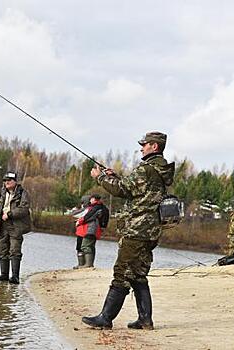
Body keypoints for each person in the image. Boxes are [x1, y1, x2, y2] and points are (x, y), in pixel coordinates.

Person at [82, 131, 175, 330]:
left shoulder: (146, 169)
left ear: (154, 147)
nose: (141, 148)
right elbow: (136, 189)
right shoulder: (159, 170)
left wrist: (100, 178)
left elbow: (122, 190)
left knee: (122, 273)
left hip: (137, 230)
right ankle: (145, 320)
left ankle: (105, 318)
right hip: (151, 231)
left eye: (145, 144)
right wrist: (114, 177)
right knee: (138, 274)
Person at [0, 172, 32, 283]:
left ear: (15, 181)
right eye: (5, 180)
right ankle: (4, 275)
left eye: (9, 180)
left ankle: (15, 277)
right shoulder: (1, 193)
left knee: (14, 250)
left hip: (16, 226)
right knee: (2, 250)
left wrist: (9, 214)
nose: (6, 182)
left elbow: (24, 209)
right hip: (2, 226)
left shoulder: (23, 193)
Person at [75, 194, 110, 268]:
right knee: (87, 246)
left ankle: (87, 264)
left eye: (83, 202)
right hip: (88, 230)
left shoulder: (94, 208)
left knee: (85, 246)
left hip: (88, 230)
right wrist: (103, 227)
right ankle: (84, 264)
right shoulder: (102, 208)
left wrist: (80, 221)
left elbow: (88, 216)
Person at [71, 195, 91, 269]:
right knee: (85, 247)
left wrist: (75, 209)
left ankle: (81, 264)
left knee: (81, 248)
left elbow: (74, 214)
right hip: (85, 231)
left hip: (83, 231)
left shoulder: (86, 210)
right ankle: (83, 264)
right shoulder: (91, 209)